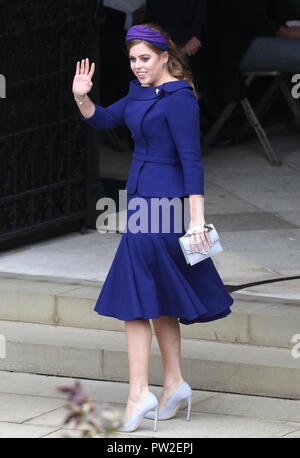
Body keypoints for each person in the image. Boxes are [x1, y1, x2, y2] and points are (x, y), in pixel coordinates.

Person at [72, 23, 234, 433]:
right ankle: (174, 383)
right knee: (157, 293)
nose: (138, 66)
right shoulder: (138, 90)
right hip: (142, 201)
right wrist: (82, 97)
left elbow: (192, 160)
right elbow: (105, 119)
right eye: (132, 59)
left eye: (145, 58)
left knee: (133, 295)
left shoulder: (180, 98)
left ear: (165, 56)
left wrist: (196, 218)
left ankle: (138, 392)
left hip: (167, 206)